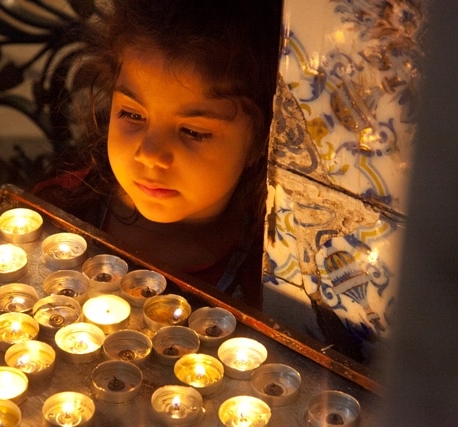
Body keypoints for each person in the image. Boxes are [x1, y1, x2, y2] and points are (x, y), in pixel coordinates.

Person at [34, 0, 282, 309]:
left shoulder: (274, 273)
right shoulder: (56, 211)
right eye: (133, 115)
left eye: (193, 132)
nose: (150, 155)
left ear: (260, 139)